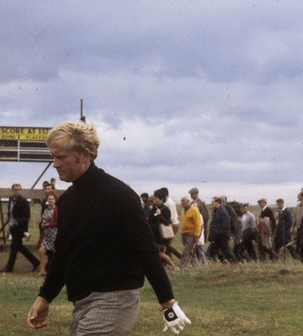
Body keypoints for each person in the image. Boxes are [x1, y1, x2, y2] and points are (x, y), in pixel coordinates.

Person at [27, 120, 189, 335]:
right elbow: (63, 254)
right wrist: (44, 297)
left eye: (60, 157)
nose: (54, 163)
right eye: (53, 157)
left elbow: (146, 250)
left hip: (115, 301)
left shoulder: (119, 196)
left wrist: (168, 303)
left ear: (83, 155)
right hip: (82, 303)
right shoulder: (67, 201)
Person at [0, 183, 40, 273]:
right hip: (12, 227)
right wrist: (10, 222)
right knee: (19, 247)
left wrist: (18, 223)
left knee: (14, 248)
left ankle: (9, 267)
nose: (17, 191)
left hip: (19, 228)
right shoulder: (11, 200)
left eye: (18, 189)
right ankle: (36, 262)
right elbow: (10, 212)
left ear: (20, 190)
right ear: (12, 190)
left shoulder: (23, 201)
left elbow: (27, 216)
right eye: (15, 189)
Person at [207, 196, 235, 263]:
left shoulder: (222, 211)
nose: (212, 203)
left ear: (218, 202)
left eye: (213, 202)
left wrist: (216, 234)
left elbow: (223, 225)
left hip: (222, 235)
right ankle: (215, 262)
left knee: (226, 250)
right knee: (213, 249)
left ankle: (234, 262)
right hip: (218, 235)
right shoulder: (217, 210)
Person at [36, 194, 58, 277]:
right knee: (41, 251)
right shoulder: (46, 209)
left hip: (55, 234)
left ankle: (54, 271)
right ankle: (42, 271)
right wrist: (42, 224)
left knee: (54, 254)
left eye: (52, 199)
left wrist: (47, 225)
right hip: (46, 235)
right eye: (49, 199)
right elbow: (43, 220)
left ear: (55, 200)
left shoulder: (56, 209)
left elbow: (57, 223)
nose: (50, 200)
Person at [178, 196, 201, 269]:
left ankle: (181, 266)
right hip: (184, 234)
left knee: (186, 251)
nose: (182, 202)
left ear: (188, 201)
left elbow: (198, 224)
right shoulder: (183, 210)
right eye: (181, 201)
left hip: (191, 234)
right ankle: (196, 264)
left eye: (183, 201)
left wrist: (197, 235)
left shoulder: (194, 210)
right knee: (190, 250)